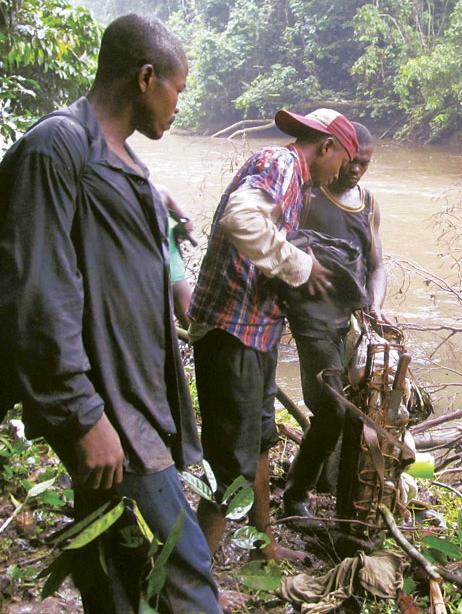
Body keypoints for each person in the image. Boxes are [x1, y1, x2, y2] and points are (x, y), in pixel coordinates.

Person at [0, 15, 221, 613]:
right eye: (178, 91)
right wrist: (82, 413)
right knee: (184, 567)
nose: (178, 108)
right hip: (108, 409)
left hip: (139, 401)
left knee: (115, 570)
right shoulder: (57, 146)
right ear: (146, 78)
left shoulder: (120, 158)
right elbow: (39, 290)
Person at [187, 108, 357, 561]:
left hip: (255, 332)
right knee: (230, 464)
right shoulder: (280, 164)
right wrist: (302, 266)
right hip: (232, 332)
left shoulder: (294, 182)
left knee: (260, 442)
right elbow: (241, 220)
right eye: (342, 160)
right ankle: (191, 582)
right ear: (326, 147)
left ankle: (263, 545)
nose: (341, 171)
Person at [281, 122, 386, 519]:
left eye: (365, 163)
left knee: (363, 405)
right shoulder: (308, 194)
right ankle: (295, 495)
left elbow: (376, 265)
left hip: (352, 320)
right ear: (336, 153)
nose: (357, 169)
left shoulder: (368, 202)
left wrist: (374, 304)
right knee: (332, 409)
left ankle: (332, 480)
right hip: (311, 320)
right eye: (352, 161)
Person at [156, 183, 194, 329]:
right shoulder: (162, 192)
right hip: (174, 268)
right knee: (191, 325)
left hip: (147, 271)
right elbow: (188, 225)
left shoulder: (125, 196)